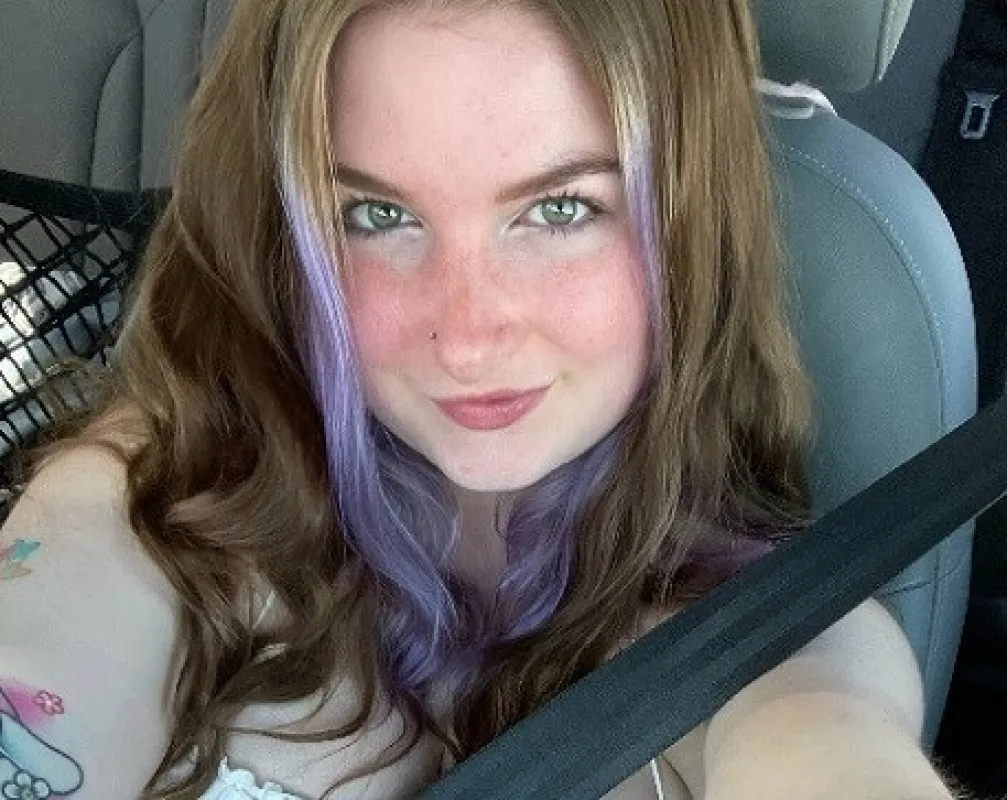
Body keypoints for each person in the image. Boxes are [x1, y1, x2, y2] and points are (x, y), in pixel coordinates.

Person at [0, 0, 960, 797]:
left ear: (686, 229)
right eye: (377, 215)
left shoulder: (773, 642)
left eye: (559, 209)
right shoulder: (160, 502)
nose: (464, 338)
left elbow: (823, 736)